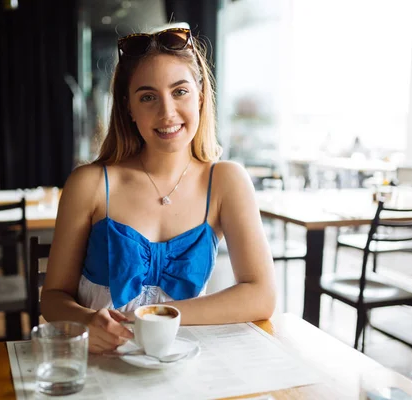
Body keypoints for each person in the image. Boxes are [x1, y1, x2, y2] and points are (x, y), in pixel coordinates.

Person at [41, 27, 276, 353]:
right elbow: (52, 298)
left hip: (183, 362)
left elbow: (261, 295)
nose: (167, 113)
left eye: (179, 91)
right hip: (101, 360)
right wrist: (83, 321)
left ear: (201, 95)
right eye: (148, 97)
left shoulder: (226, 181)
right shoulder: (90, 183)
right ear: (128, 108)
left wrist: (152, 317)